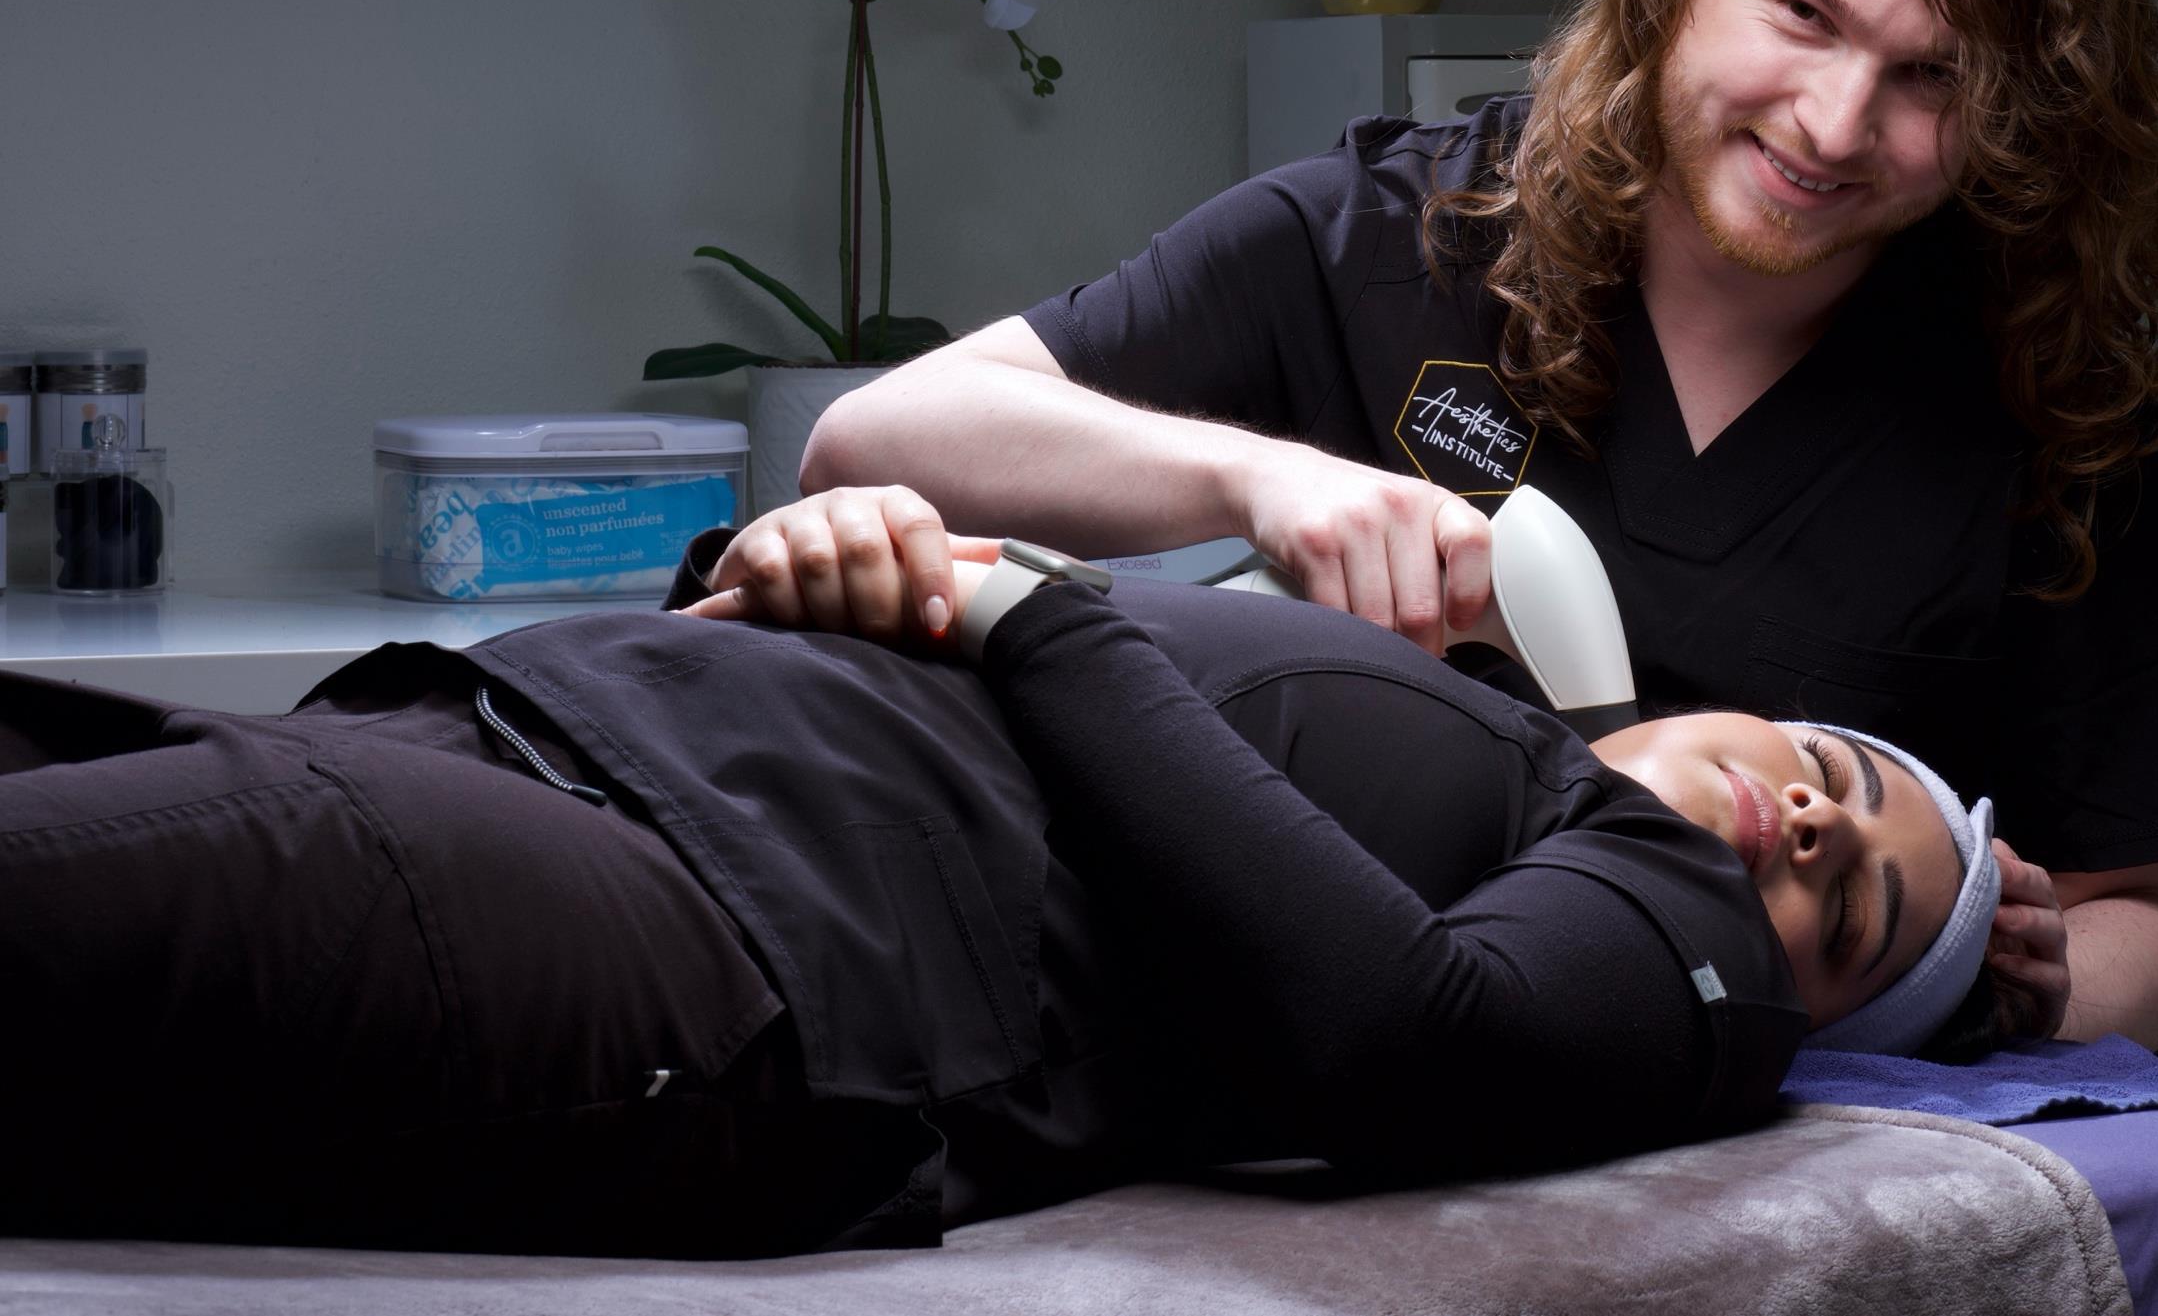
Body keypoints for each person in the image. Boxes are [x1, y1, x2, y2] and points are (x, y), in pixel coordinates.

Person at [797, 0, 2158, 1051]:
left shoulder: (2043, 398)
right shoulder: (1393, 239)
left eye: (1931, 76)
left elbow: (2155, 926)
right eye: (1801, 14)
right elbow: (877, 440)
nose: (1834, 124)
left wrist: (2013, 989)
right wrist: (1261, 481)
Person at [0, 499, 1984, 1260]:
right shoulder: (1502, 747)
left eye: (1859, 917)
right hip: (556, 743)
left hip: (727, 921)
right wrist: (823, 564)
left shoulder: (1686, 938)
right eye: (1830, 775)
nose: (1815, 838)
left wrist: (1031, 610)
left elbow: (1407, 1035)